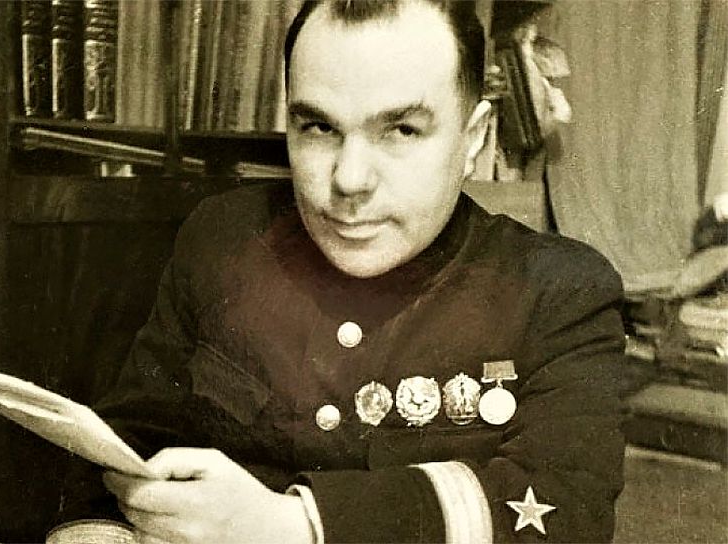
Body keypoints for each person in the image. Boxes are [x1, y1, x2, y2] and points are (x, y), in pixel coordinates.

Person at [54, 1, 626, 542]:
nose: (349, 179)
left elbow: (565, 508)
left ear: (472, 138)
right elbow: (123, 443)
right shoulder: (224, 239)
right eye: (319, 128)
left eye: (401, 131)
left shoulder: (556, 291)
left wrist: (292, 527)